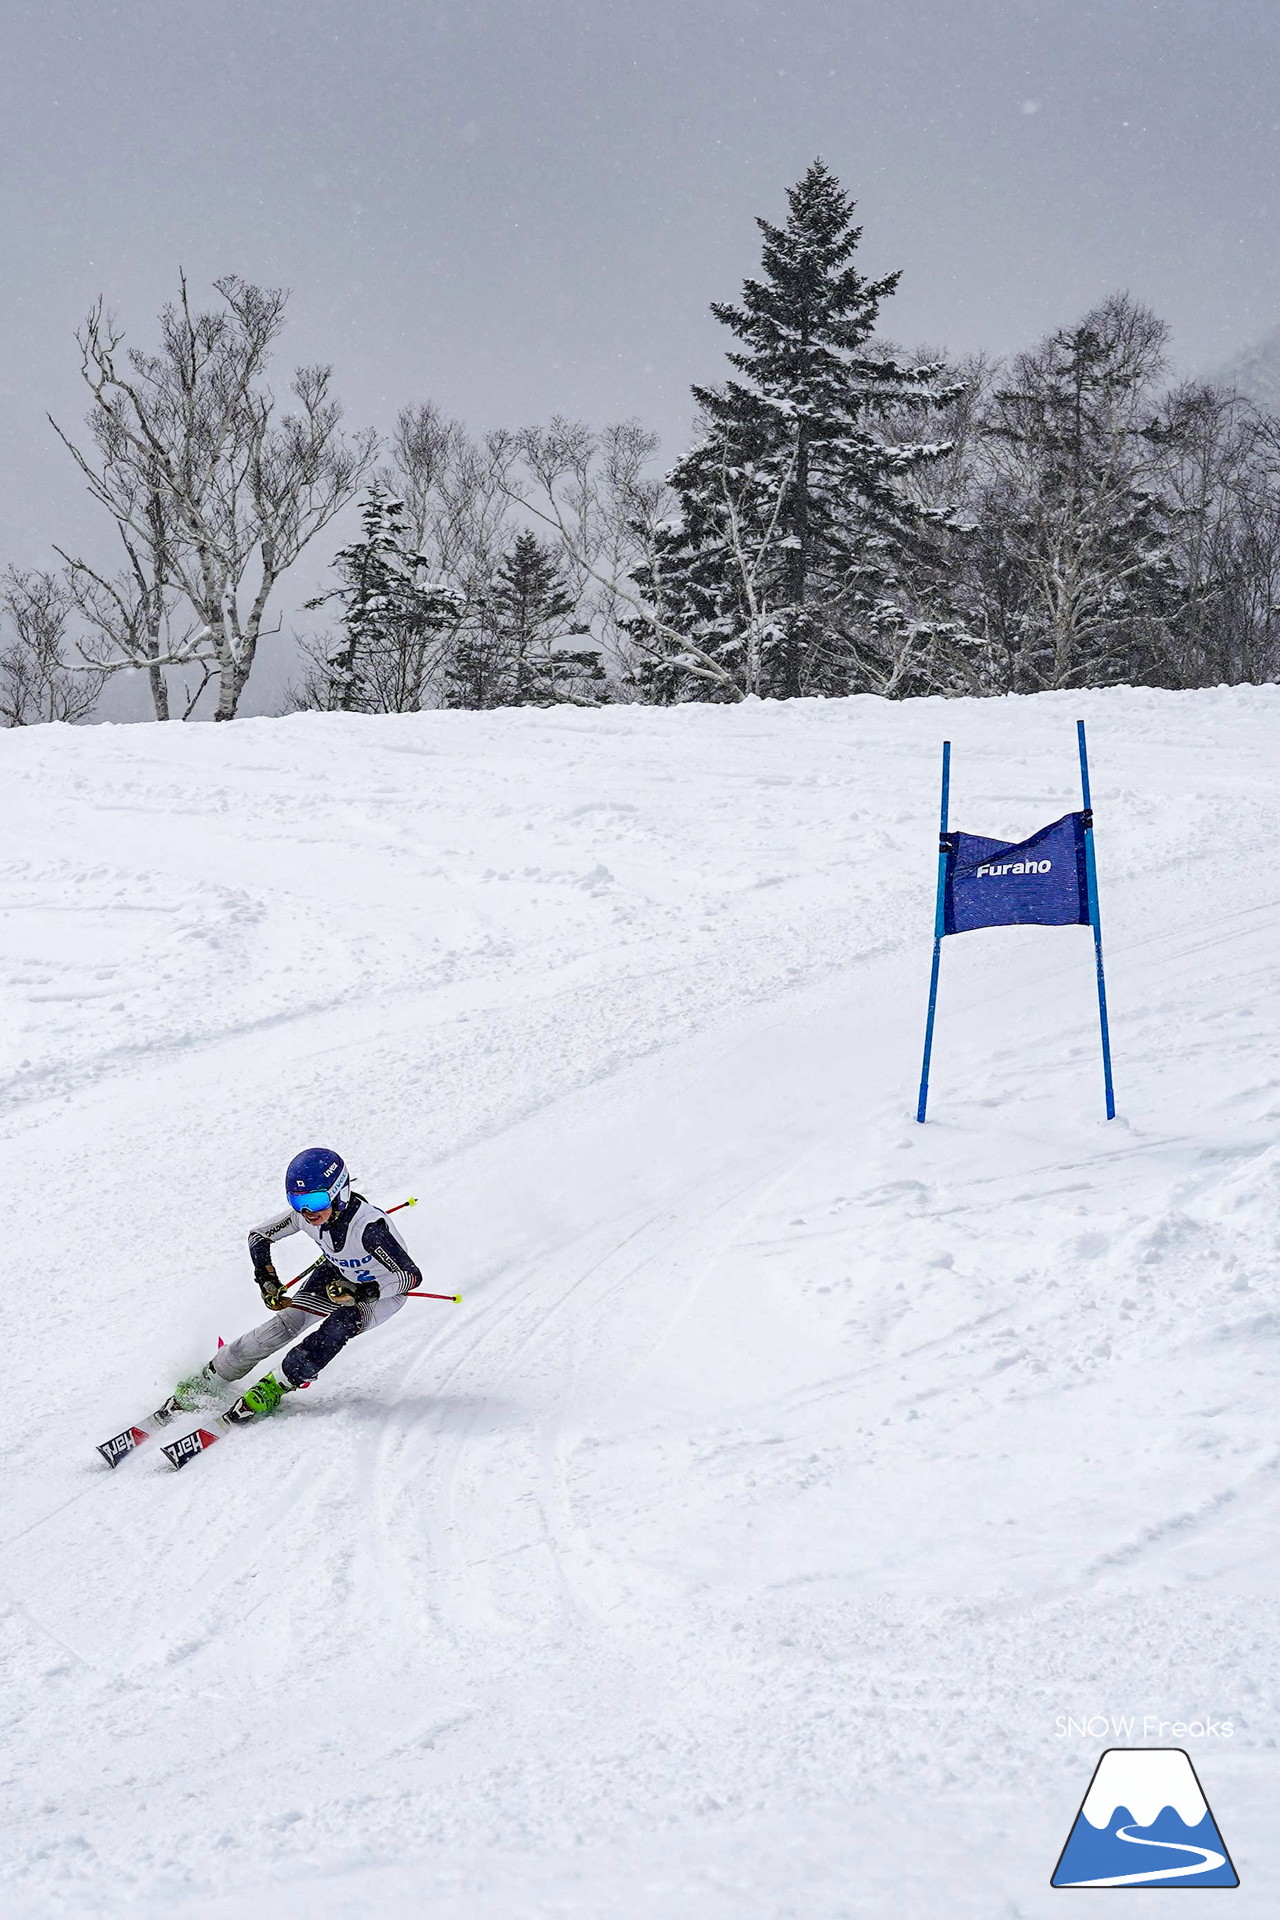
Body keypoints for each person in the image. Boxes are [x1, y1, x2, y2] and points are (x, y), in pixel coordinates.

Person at [167, 1147, 423, 1424]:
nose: (306, 1211)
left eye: (315, 1200)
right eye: (297, 1200)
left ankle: (278, 1384)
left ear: (340, 1193)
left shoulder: (368, 1228)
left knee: (341, 1324)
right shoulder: (303, 1216)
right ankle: (215, 1374)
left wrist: (361, 1293)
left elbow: (410, 1277)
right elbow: (259, 1236)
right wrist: (267, 1280)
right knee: (287, 1322)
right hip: (337, 1274)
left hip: (384, 1291)